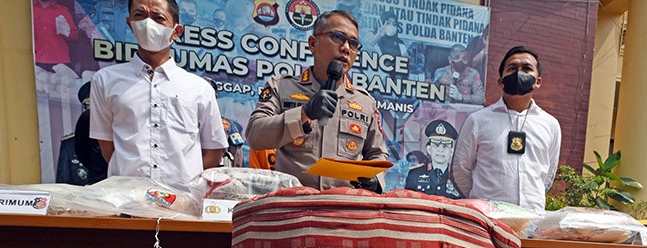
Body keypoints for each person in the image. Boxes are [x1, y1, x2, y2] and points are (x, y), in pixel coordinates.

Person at [246, 10, 388, 192]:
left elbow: (377, 154)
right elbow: (255, 136)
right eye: (338, 37)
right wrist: (304, 113)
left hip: (341, 205)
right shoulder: (281, 87)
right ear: (313, 43)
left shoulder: (365, 102)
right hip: (294, 203)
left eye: (353, 43)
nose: (346, 48)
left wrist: (375, 179)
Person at [90, 0, 227, 186]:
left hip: (182, 200)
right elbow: (108, 147)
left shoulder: (199, 88)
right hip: (126, 197)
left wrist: (185, 185)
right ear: (130, 24)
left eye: (158, 17)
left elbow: (213, 153)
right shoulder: (105, 81)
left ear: (176, 31)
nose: (148, 24)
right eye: (140, 15)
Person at [452, 46, 561, 213]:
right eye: (512, 68)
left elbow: (548, 175)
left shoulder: (550, 125)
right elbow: (460, 170)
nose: (519, 73)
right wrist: (482, 205)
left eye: (527, 68)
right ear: (500, 81)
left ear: (538, 82)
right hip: (488, 221)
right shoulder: (478, 121)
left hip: (532, 221)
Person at [405, 120, 464, 199]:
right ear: (429, 149)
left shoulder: (459, 177)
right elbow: (408, 202)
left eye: (445, 146)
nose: (440, 150)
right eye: (436, 145)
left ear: (451, 151)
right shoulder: (414, 174)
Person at [73, 81, 108, 185]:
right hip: (100, 179)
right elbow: (82, 151)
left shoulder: (120, 114)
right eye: (88, 105)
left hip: (128, 176)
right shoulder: (87, 117)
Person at [33, 0, 79, 66]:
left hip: (59, 60)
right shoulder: (28, 9)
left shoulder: (63, 10)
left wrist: (66, 31)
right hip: (34, 59)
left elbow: (75, 36)